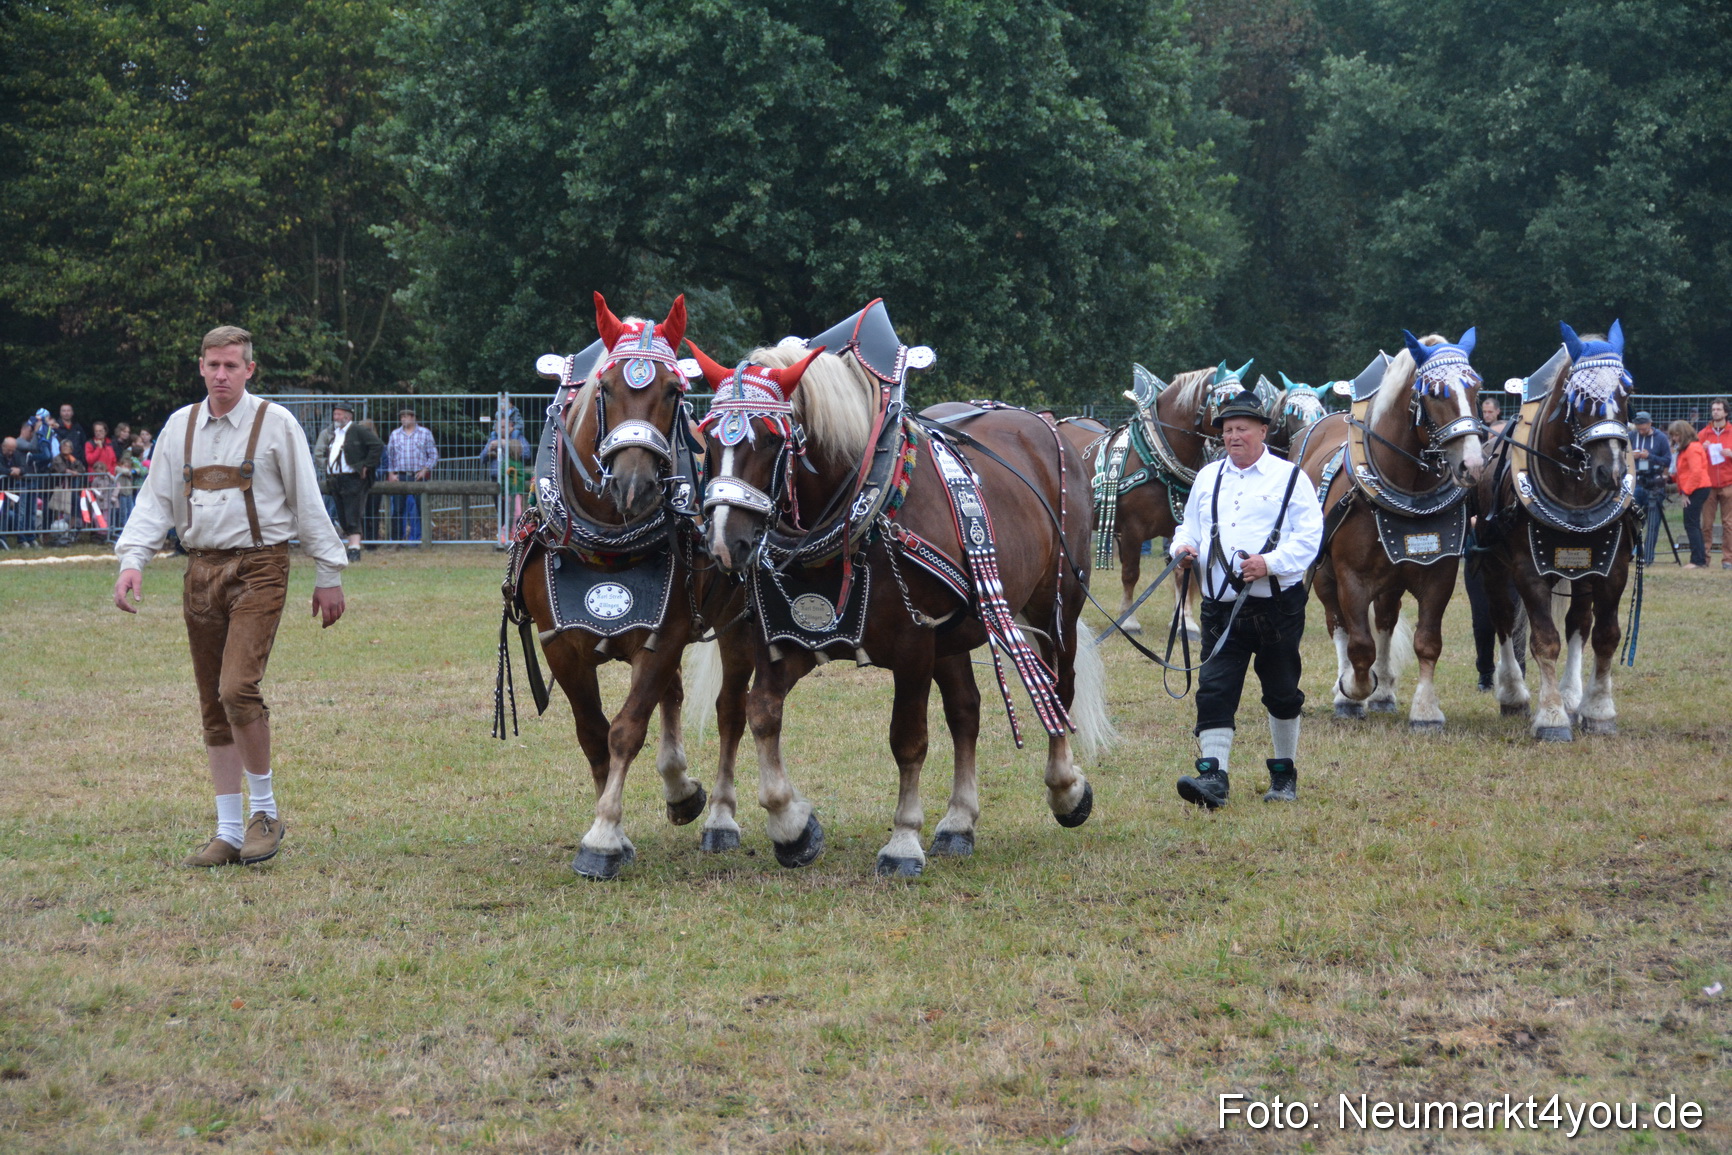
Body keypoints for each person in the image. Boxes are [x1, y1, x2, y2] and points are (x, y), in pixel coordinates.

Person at [112, 325, 348, 867]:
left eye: (231, 366)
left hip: (260, 566)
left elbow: (307, 500)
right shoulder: (181, 426)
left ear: (249, 370)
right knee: (212, 701)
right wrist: (133, 561)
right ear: (201, 366)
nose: (221, 375)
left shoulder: (275, 424)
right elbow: (155, 502)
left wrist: (328, 573)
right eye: (212, 365)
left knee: (237, 688)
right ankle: (228, 830)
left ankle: (264, 812)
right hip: (199, 569)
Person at [1169, 391, 1324, 807]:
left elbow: (1310, 539)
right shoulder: (1208, 477)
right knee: (1214, 689)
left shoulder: (1291, 478)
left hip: (1276, 607)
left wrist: (1269, 563)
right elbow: (1190, 528)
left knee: (1281, 691)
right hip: (1220, 605)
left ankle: (1283, 775)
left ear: (1263, 431)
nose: (1233, 437)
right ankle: (1213, 779)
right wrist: (1181, 550)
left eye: (1241, 429)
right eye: (1227, 430)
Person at [321, 402, 383, 561]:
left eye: (339, 414)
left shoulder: (357, 430)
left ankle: (354, 549)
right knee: (342, 515)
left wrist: (366, 466)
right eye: (335, 414)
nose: (336, 417)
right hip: (336, 480)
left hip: (352, 479)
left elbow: (377, 445)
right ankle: (350, 546)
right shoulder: (336, 433)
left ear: (348, 416)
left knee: (352, 514)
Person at [385, 407, 438, 544]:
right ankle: (396, 541)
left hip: (418, 476)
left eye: (406, 416)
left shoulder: (425, 433)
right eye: (402, 416)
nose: (403, 419)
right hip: (400, 476)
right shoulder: (395, 434)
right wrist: (391, 473)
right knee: (397, 510)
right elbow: (389, 456)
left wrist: (425, 469)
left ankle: (422, 539)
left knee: (421, 509)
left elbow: (433, 454)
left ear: (414, 418)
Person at [1628, 411, 1671, 565]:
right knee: (1632, 520)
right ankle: (1629, 553)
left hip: (1655, 484)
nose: (1641, 431)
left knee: (1653, 523)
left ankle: (1648, 557)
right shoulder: (1632, 436)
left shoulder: (1660, 438)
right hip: (1637, 483)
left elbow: (1667, 460)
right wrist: (1631, 455)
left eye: (1644, 428)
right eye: (1639, 428)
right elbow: (1622, 455)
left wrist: (1649, 457)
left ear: (1650, 423)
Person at [1671, 420, 1711, 569]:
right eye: (1673, 436)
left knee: (1691, 524)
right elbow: (1684, 472)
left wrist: (1686, 492)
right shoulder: (1686, 449)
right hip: (1695, 488)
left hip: (1697, 489)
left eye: (1677, 435)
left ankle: (1698, 561)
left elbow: (1696, 473)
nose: (1674, 438)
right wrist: (1670, 478)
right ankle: (1699, 559)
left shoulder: (1692, 448)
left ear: (1684, 434)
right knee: (1692, 524)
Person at [1697, 399, 1732, 568]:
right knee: (1707, 524)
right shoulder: (1703, 434)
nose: (1715, 412)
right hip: (1708, 485)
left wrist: (1731, 454)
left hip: (1728, 484)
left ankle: (1728, 560)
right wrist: (1701, 450)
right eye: (1713, 409)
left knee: (1729, 524)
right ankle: (1705, 558)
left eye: (1719, 409)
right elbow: (1693, 459)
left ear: (1726, 413)